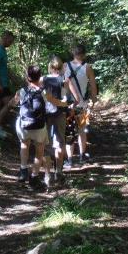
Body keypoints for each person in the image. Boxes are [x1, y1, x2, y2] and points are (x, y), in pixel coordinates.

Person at [10, 65, 67, 189]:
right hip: (39, 126)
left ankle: (23, 170)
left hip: (24, 125)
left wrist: (12, 103)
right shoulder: (43, 92)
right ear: (39, 77)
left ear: (27, 78)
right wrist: (65, 103)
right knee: (39, 150)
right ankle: (34, 176)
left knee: (24, 144)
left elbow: (13, 103)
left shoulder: (21, 91)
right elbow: (56, 102)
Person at [64, 44, 98, 167]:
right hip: (82, 104)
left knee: (69, 131)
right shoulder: (88, 68)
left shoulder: (65, 66)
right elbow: (93, 86)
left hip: (68, 105)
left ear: (73, 53)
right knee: (82, 130)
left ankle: (69, 160)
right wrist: (93, 101)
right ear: (84, 54)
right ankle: (82, 156)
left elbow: (60, 84)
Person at [42, 55, 73, 183]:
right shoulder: (64, 80)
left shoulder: (43, 79)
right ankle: (59, 172)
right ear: (61, 67)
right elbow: (67, 99)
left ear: (50, 67)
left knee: (45, 143)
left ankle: (47, 175)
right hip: (60, 113)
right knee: (60, 142)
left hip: (46, 114)